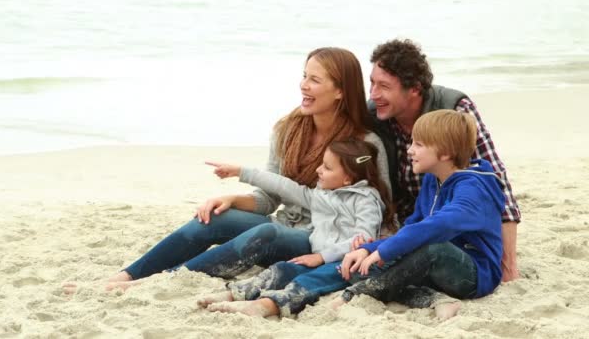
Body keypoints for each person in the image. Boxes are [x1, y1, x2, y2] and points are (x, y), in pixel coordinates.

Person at [93, 47, 392, 291]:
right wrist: (233, 201)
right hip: (282, 224)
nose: (303, 84)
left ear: (340, 91)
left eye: (314, 79)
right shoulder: (287, 130)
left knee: (268, 232)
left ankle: (165, 280)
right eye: (304, 76)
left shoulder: (365, 145)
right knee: (212, 218)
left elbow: (378, 208)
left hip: (319, 241)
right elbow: (268, 199)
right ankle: (129, 275)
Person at [366, 39, 521, 282]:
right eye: (372, 83)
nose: (374, 95)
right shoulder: (373, 113)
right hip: (408, 223)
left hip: (449, 230)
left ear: (415, 88)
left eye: (383, 86)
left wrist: (508, 264)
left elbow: (497, 185)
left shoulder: (454, 111)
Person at [335, 109, 506, 320]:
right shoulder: (432, 179)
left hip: (474, 274)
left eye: (418, 145)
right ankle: (435, 299)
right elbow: (414, 225)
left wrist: (385, 250)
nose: (409, 150)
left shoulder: (474, 189)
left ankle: (358, 294)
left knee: (434, 249)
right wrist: (369, 249)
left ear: (445, 153)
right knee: (357, 268)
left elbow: (439, 225)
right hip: (431, 267)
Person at [197, 138, 396, 317]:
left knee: (313, 279)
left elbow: (364, 239)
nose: (319, 170)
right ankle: (236, 293)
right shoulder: (320, 196)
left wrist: (322, 257)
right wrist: (242, 172)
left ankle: (264, 306)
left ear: (347, 178)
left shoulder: (366, 200)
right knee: (284, 268)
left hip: (345, 265)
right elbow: (284, 186)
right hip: (317, 258)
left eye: (327, 167)